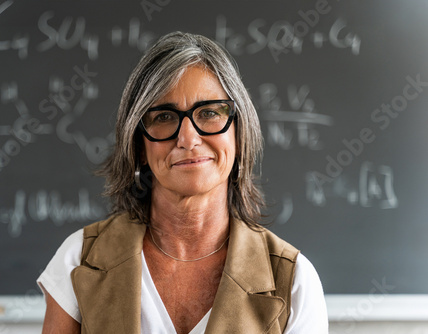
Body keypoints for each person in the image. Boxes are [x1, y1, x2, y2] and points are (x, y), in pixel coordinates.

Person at [37, 31, 328, 334]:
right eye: (164, 117)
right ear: (139, 146)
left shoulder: (294, 281)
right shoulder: (78, 261)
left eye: (210, 113)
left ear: (239, 135)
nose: (188, 139)